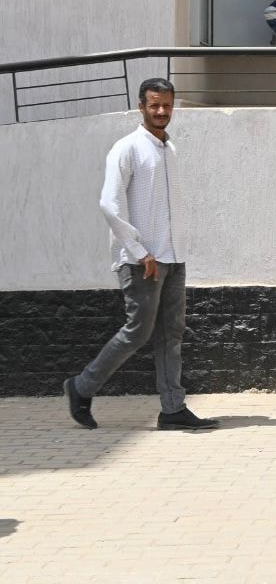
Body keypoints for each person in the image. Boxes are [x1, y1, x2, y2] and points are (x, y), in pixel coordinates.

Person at [63, 78, 218, 431]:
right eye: (154, 105)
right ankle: (81, 386)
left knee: (171, 334)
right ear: (141, 107)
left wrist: (177, 249)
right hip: (142, 261)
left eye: (167, 105)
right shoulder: (127, 148)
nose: (161, 111)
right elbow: (109, 203)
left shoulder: (169, 149)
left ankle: (173, 409)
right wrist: (139, 250)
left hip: (173, 257)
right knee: (137, 332)